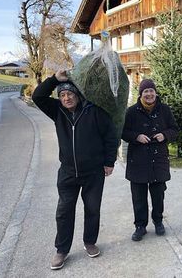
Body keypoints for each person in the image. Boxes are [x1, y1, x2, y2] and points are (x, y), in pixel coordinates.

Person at [32, 68, 118, 270]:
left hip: (93, 173)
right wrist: (54, 79)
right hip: (68, 173)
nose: (66, 98)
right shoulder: (57, 111)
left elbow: (110, 137)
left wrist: (109, 162)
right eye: (62, 95)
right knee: (64, 212)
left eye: (70, 94)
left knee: (92, 209)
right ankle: (62, 250)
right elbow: (38, 96)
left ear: (78, 95)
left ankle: (90, 242)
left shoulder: (94, 111)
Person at [122, 79, 179, 241]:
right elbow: (122, 132)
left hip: (158, 159)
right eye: (145, 91)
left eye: (151, 91)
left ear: (155, 93)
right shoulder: (131, 112)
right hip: (138, 160)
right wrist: (136, 136)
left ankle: (158, 221)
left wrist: (165, 135)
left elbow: (175, 129)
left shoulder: (165, 110)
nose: (149, 94)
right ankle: (140, 226)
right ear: (141, 94)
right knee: (138, 196)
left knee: (158, 194)